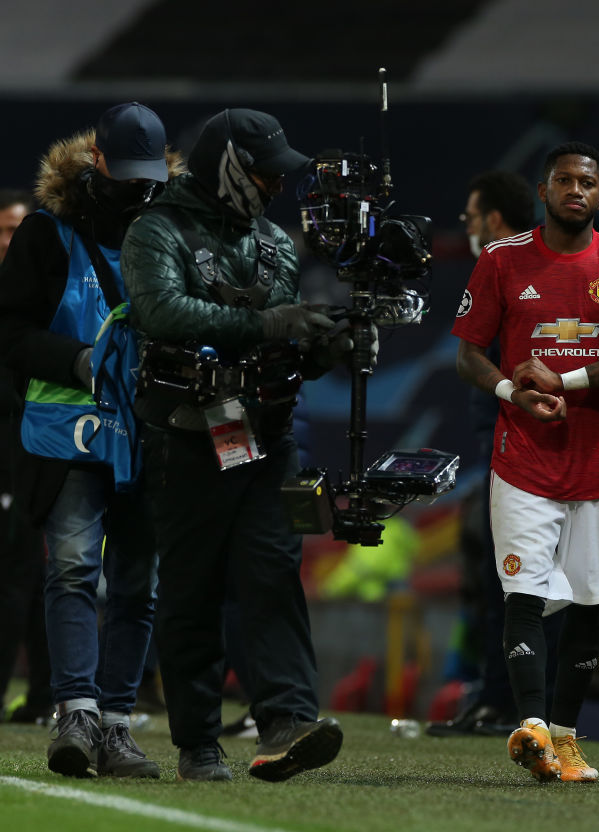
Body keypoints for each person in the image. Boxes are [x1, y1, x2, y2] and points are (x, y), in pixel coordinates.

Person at [120, 108, 345, 782]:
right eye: (263, 172)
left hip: (266, 435)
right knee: (192, 589)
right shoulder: (155, 229)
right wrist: (269, 319)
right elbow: (159, 311)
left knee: (273, 572)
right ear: (225, 167)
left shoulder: (276, 243)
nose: (276, 186)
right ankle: (197, 742)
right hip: (184, 436)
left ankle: (288, 720)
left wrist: (321, 349)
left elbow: (278, 345)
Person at [452, 141, 599, 782]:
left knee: (589, 605)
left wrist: (563, 382)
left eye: (589, 182)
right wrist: (511, 391)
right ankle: (536, 728)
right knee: (522, 594)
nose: (576, 190)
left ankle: (568, 740)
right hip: (523, 462)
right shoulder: (499, 261)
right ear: (543, 191)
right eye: (564, 180)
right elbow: (467, 353)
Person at [0, 102, 178, 777]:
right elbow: (8, 333)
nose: (138, 187)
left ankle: (114, 723)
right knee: (74, 568)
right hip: (67, 431)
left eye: (149, 175)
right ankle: (74, 712)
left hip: (148, 432)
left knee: (138, 582)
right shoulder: (46, 234)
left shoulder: (173, 231)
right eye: (125, 172)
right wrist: (77, 361)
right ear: (96, 159)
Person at [429, 170, 540, 738]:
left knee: (513, 581)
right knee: (503, 580)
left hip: (520, 450)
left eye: (471, 218)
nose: (467, 228)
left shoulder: (512, 269)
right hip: (507, 446)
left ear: (494, 219)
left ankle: (509, 703)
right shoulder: (532, 266)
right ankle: (501, 698)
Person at [0, 188, 51, 725]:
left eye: (18, 230)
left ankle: (42, 696)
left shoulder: (45, 297)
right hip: (12, 453)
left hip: (32, 452)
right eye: (4, 230)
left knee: (30, 578)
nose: (10, 241)